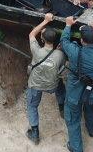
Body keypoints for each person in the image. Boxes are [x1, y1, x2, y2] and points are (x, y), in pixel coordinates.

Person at [60, 19, 93, 152]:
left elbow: (64, 41)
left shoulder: (74, 52)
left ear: (81, 41)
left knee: (73, 119)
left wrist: (68, 25)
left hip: (74, 93)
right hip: (91, 92)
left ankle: (77, 148)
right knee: (91, 109)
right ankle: (92, 130)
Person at [25, 12, 66, 145]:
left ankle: (35, 133)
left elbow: (31, 34)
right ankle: (62, 109)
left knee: (32, 105)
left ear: (42, 40)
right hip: (52, 85)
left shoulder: (37, 51)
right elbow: (61, 66)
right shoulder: (59, 54)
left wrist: (45, 21)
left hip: (36, 84)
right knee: (60, 84)